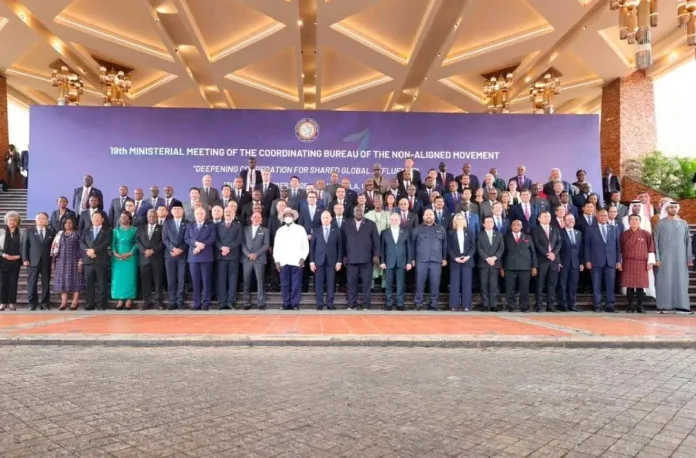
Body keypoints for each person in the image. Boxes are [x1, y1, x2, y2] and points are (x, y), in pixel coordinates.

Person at [654, 202, 693, 314]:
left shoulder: (683, 223)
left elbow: (688, 242)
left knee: (681, 281)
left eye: (675, 207)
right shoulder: (660, 224)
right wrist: (657, 258)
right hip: (664, 258)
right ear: (667, 209)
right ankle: (663, 305)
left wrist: (689, 258)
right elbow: (655, 242)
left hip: (681, 258)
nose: (673, 209)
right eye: (671, 207)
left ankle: (682, 305)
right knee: (664, 280)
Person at [584, 209, 622, 313]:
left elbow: (618, 246)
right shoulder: (590, 229)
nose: (604, 217)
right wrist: (587, 260)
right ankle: (597, 305)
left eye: (605, 215)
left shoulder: (614, 228)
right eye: (601, 215)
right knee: (596, 284)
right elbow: (586, 246)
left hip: (611, 261)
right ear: (597, 216)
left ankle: (610, 305)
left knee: (611, 284)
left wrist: (619, 260)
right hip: (595, 261)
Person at [342, 206, 379, 310]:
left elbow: (376, 241)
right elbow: (343, 242)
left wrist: (376, 255)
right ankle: (351, 304)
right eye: (357, 211)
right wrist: (343, 255)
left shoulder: (371, 224)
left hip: (367, 259)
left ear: (364, 212)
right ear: (353, 212)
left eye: (361, 211)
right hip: (351, 259)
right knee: (351, 284)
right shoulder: (346, 224)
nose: (359, 212)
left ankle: (366, 304)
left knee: (366, 284)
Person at [274, 208, 309, 310]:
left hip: (296, 260)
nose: (288, 217)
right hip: (283, 261)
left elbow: (305, 245)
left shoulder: (300, 229)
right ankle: (286, 303)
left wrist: (303, 257)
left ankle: (295, 303)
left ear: (293, 217)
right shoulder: (280, 231)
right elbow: (276, 247)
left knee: (296, 283)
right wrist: (277, 260)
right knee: (284, 284)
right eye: (286, 215)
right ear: (283, 218)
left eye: (290, 215)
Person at [412, 209, 447, 311]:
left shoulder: (440, 228)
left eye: (430, 214)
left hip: (436, 260)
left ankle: (434, 303)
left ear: (434, 216)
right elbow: (412, 245)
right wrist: (412, 259)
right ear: (423, 217)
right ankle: (418, 303)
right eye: (426, 214)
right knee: (419, 283)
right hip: (421, 260)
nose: (428, 216)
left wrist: (444, 258)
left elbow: (445, 245)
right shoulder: (417, 229)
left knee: (435, 283)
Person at [620, 214, 655, 314]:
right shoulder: (624, 234)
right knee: (629, 285)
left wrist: (650, 262)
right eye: (632, 220)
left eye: (636, 220)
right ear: (629, 222)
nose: (634, 222)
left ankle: (640, 306)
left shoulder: (646, 234)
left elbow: (651, 248)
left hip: (641, 262)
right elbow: (620, 249)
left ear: (640, 222)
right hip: (628, 262)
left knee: (640, 286)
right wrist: (620, 262)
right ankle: (630, 305)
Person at [22, 212, 55, 311]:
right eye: (39, 218)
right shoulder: (29, 231)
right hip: (32, 261)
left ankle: (45, 303)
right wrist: (25, 259)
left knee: (46, 283)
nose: (41, 220)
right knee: (32, 283)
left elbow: (54, 248)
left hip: (46, 261)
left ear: (47, 221)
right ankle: (32, 303)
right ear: (35, 220)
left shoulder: (51, 232)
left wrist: (53, 261)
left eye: (43, 218)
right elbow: (24, 246)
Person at [501, 219, 537, 312]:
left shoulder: (527, 237)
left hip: (525, 266)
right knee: (510, 288)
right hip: (510, 266)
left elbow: (533, 252)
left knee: (524, 288)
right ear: (511, 227)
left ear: (521, 227)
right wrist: (501, 267)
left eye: (518, 225)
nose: (516, 226)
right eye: (514, 225)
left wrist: (534, 266)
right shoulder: (506, 237)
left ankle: (524, 306)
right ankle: (511, 306)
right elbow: (502, 253)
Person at [380, 213, 412, 311]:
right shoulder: (384, 232)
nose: (394, 221)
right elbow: (382, 248)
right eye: (392, 219)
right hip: (388, 262)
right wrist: (382, 261)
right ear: (390, 221)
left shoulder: (405, 232)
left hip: (402, 261)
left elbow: (409, 248)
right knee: (388, 284)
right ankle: (389, 303)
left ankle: (400, 303)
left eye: (396, 219)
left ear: (400, 221)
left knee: (400, 284)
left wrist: (409, 262)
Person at [310, 211, 342, 310]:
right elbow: (312, 248)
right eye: (323, 218)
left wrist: (339, 261)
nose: (325, 219)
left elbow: (340, 247)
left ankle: (330, 304)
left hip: (332, 261)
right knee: (318, 283)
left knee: (331, 283)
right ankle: (319, 304)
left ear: (331, 219)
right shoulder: (316, 231)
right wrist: (311, 262)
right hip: (318, 261)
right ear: (321, 219)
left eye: (327, 217)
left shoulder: (337, 231)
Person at [186, 207, 216, 311]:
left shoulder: (210, 225)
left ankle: (206, 302)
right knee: (195, 281)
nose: (200, 215)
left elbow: (212, 238)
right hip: (193, 257)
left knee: (206, 281)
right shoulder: (190, 225)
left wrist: (201, 246)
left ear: (205, 215)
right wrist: (196, 243)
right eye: (198, 213)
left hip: (206, 256)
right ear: (195, 215)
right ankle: (196, 303)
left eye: (202, 213)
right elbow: (187, 238)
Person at [80, 212, 112, 311]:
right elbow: (82, 242)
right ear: (91, 219)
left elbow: (106, 242)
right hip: (88, 260)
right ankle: (89, 303)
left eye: (98, 217)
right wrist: (88, 251)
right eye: (94, 217)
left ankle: (101, 304)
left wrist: (94, 250)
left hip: (101, 260)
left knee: (101, 283)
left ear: (102, 220)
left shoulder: (107, 231)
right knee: (89, 283)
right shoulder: (86, 230)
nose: (96, 219)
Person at [51, 216, 84, 310]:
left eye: (70, 223)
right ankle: (63, 302)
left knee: (76, 280)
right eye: (65, 223)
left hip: (74, 260)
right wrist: (53, 261)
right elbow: (54, 248)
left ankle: (75, 301)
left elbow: (82, 247)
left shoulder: (77, 234)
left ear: (73, 223)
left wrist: (81, 259)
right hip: (61, 261)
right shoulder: (59, 234)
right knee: (62, 281)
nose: (68, 225)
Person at [532, 210, 561, 312]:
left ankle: (550, 305)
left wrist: (554, 254)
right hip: (541, 260)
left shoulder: (555, 229)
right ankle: (539, 305)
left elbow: (559, 243)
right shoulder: (535, 230)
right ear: (539, 219)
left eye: (548, 216)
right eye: (544, 216)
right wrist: (547, 254)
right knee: (539, 284)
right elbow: (536, 244)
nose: (547, 218)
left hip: (553, 260)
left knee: (552, 284)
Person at [136, 209, 165, 310]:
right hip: (144, 258)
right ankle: (146, 301)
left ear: (157, 217)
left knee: (158, 280)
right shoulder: (140, 228)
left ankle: (158, 301)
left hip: (157, 258)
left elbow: (163, 242)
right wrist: (144, 251)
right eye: (149, 216)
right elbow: (137, 241)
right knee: (145, 281)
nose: (151, 218)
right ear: (147, 217)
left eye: (153, 216)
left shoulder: (162, 228)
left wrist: (153, 250)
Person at [215, 206, 243, 310]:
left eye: (230, 212)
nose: (228, 213)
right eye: (226, 211)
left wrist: (229, 248)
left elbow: (239, 239)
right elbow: (216, 239)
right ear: (223, 213)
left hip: (233, 256)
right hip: (221, 256)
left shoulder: (238, 225)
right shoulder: (218, 225)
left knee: (233, 280)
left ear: (234, 214)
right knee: (221, 280)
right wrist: (221, 248)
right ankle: (222, 302)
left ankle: (231, 301)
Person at [162, 204, 188, 310]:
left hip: (183, 255)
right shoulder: (167, 223)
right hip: (170, 255)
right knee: (171, 279)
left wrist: (180, 249)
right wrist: (173, 249)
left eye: (179, 209)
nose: (177, 210)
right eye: (175, 209)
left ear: (183, 211)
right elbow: (165, 239)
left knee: (181, 279)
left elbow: (188, 238)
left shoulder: (187, 223)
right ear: (171, 212)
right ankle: (172, 301)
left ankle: (180, 301)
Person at [111, 211, 138, 310]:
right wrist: (115, 253)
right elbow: (112, 243)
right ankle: (120, 299)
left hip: (131, 257)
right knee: (118, 278)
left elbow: (137, 243)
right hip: (117, 258)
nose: (122, 219)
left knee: (129, 277)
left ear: (129, 219)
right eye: (121, 217)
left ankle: (129, 299)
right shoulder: (116, 230)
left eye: (124, 217)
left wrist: (130, 253)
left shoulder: (135, 230)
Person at [242, 212, 269, 310]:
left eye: (258, 217)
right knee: (246, 281)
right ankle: (246, 302)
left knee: (260, 281)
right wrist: (248, 254)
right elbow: (242, 244)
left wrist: (256, 254)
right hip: (247, 259)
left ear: (261, 219)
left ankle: (261, 302)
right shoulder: (245, 229)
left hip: (259, 259)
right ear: (251, 218)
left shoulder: (265, 230)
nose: (256, 218)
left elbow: (266, 245)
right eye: (254, 217)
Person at [448, 213, 474, 311]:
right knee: (455, 283)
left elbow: (473, 246)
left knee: (466, 283)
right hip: (455, 260)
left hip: (467, 260)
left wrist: (468, 256)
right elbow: (449, 247)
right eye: (457, 219)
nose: (459, 220)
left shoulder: (470, 232)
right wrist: (455, 258)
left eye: (461, 219)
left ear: (464, 221)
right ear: (454, 221)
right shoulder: (451, 232)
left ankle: (466, 305)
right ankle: (454, 305)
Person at [477, 215, 504, 311]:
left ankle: (493, 304)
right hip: (483, 263)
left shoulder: (499, 234)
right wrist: (487, 258)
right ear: (484, 224)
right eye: (487, 222)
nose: (489, 223)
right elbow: (479, 248)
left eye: (491, 222)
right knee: (484, 284)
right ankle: (485, 304)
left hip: (495, 263)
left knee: (493, 285)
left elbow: (501, 248)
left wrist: (494, 258)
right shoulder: (479, 234)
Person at [558, 214, 583, 312]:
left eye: (572, 219)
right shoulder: (560, 233)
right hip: (563, 263)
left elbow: (580, 249)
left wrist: (581, 262)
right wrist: (558, 261)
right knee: (563, 284)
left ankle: (572, 304)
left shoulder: (578, 233)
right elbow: (557, 249)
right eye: (568, 219)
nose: (571, 221)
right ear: (564, 221)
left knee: (573, 284)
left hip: (575, 263)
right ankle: (563, 304)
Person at [365, 195, 389, 290]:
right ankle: (371, 284)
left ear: (382, 202)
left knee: (384, 260)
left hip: (384, 241)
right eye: (376, 201)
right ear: (373, 203)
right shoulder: (368, 215)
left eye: (379, 201)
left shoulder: (388, 214)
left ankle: (384, 284)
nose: (378, 203)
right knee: (372, 262)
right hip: (371, 242)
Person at [0, 211, 23, 311]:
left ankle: (12, 303)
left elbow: (24, 247)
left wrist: (19, 256)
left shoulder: (22, 233)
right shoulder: (1, 232)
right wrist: (3, 254)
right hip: (3, 260)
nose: (12, 222)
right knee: (3, 283)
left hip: (16, 261)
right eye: (10, 220)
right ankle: (3, 302)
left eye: (14, 220)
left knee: (13, 283)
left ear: (17, 222)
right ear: (6, 221)